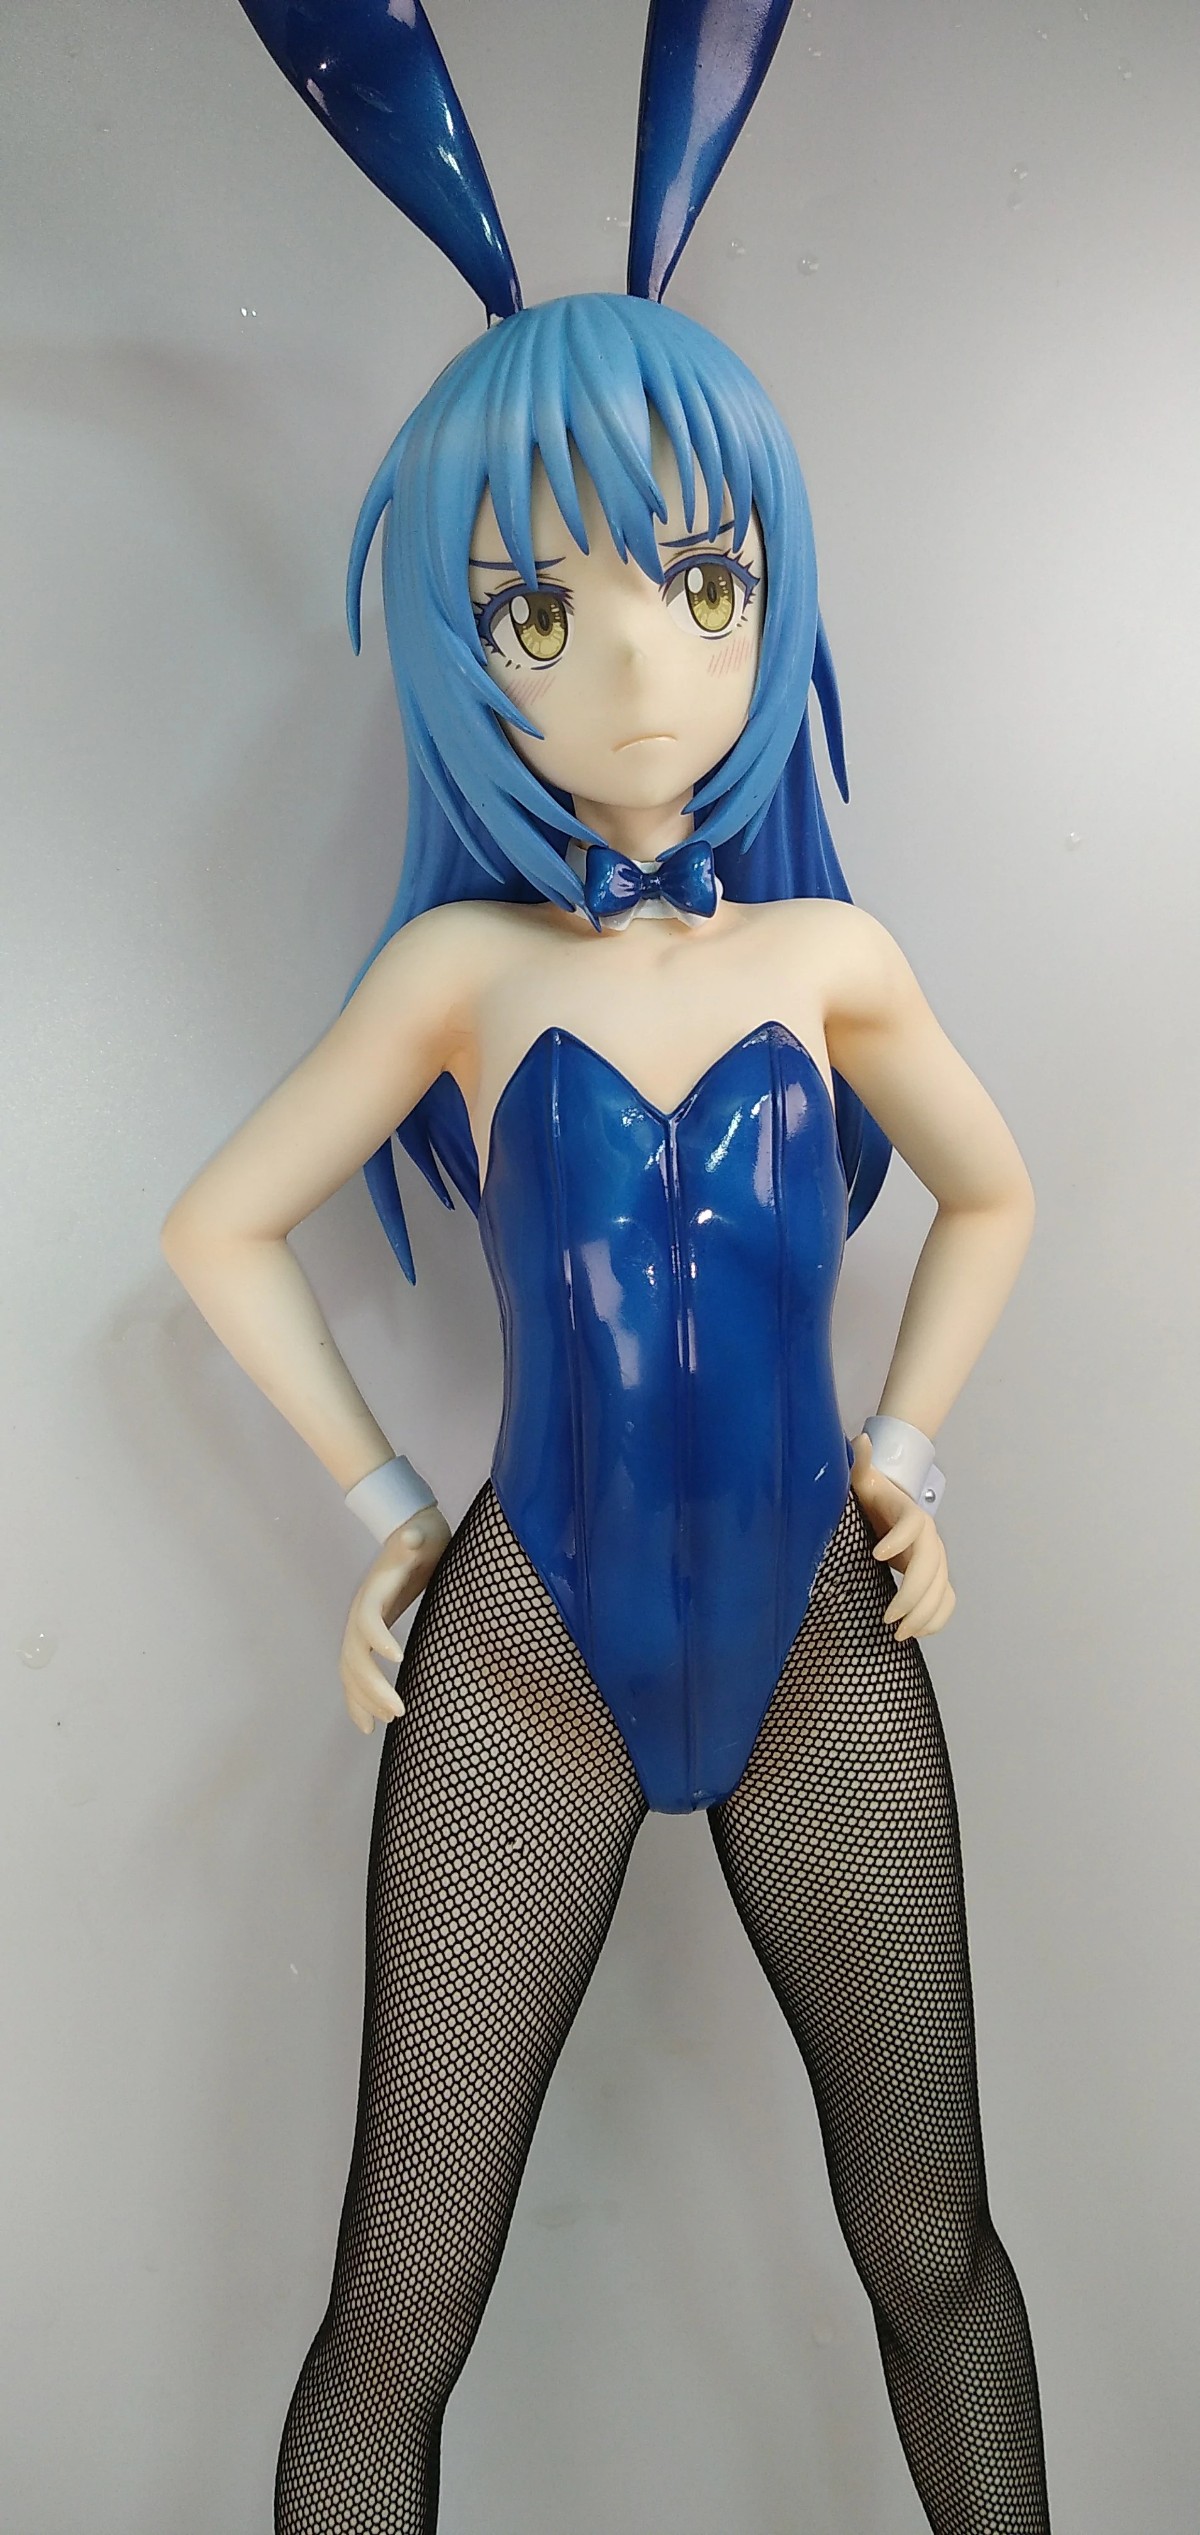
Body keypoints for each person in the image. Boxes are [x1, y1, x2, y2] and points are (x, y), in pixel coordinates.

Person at [163, 6, 1053, 2528]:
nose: (644, 660)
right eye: (538, 606)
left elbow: (995, 1190)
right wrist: (384, 1510)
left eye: (700, 577)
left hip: (815, 1634)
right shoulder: (457, 974)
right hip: (529, 1645)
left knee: (937, 2249)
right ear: (471, 647)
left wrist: (908, 1449)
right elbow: (218, 1223)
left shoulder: (834, 956)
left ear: (769, 589)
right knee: (398, 2306)